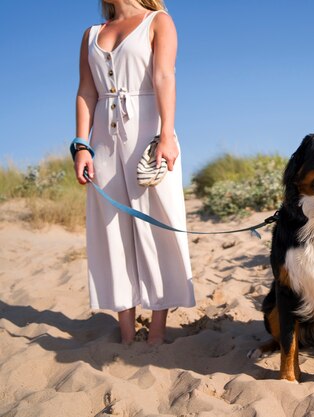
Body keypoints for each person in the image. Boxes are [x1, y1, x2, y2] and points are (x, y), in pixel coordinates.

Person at [73, 0, 195, 345]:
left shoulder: (159, 21)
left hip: (149, 134)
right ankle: (126, 332)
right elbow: (86, 89)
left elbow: (164, 75)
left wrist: (167, 136)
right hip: (103, 140)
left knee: (157, 225)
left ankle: (157, 332)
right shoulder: (90, 34)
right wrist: (81, 144)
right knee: (110, 229)